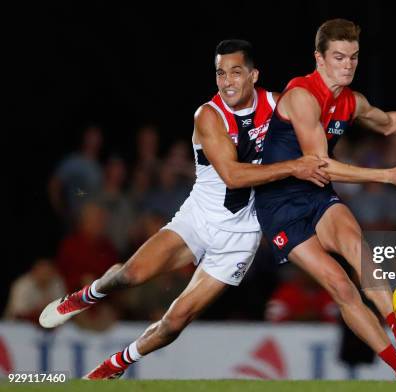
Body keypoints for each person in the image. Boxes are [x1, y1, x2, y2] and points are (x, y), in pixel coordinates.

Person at [39, 39, 330, 379]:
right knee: (131, 275)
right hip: (199, 219)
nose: (227, 81)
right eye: (221, 73)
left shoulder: (279, 105)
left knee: (175, 322)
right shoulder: (209, 115)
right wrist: (295, 166)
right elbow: (234, 177)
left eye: (236, 73)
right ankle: (88, 295)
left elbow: (319, 140)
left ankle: (114, 365)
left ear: (254, 75)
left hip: (241, 237)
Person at [255, 18, 396, 380]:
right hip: (279, 206)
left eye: (353, 57)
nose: (347, 65)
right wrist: (387, 175)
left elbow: (390, 122)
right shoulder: (301, 95)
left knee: (358, 249)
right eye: (339, 57)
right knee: (341, 285)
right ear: (319, 58)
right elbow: (321, 165)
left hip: (315, 195)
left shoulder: (351, 101)